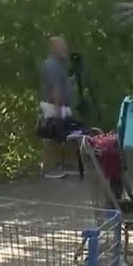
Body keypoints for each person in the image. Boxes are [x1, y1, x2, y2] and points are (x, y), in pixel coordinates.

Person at [39, 35, 75, 179]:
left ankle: (66, 165)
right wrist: (58, 110)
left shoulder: (59, 65)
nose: (65, 48)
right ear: (53, 48)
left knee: (68, 135)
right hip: (54, 105)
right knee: (52, 136)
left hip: (62, 105)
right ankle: (49, 168)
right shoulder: (51, 65)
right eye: (61, 46)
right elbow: (55, 89)